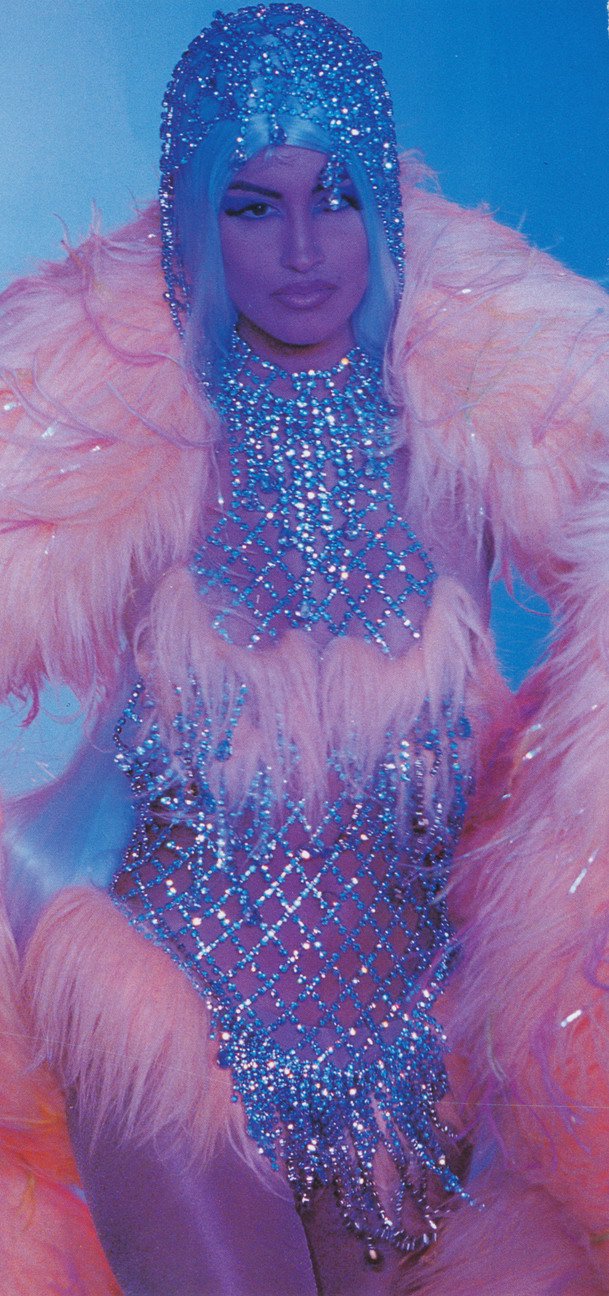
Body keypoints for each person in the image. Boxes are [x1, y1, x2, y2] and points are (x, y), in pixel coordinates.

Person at [1, 4, 609, 1293]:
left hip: (415, 1060)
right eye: (251, 204)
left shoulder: (472, 443)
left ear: (386, 203)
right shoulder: (138, 450)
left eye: (334, 196)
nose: (298, 250)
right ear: (193, 224)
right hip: (175, 1031)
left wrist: (558, 860)